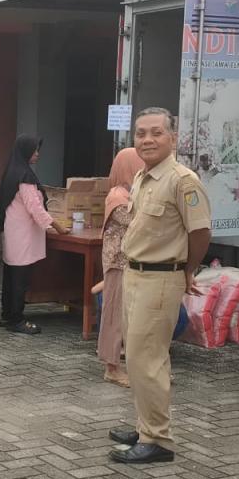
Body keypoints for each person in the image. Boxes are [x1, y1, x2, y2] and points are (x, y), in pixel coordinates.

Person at [108, 108, 212, 464]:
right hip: (136, 274)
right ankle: (146, 427)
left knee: (146, 359)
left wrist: (187, 270)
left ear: (173, 138)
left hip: (161, 278)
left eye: (156, 133)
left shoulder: (183, 181)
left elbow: (200, 232)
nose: (147, 140)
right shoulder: (143, 176)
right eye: (140, 134)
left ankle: (158, 440)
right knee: (140, 358)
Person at [0, 136, 67, 335]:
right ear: (25, 150)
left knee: (11, 276)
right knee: (20, 279)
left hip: (14, 232)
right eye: (34, 150)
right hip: (23, 235)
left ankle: (7, 315)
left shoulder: (12, 171)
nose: (37, 154)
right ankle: (16, 320)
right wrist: (58, 227)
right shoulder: (25, 177)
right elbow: (35, 208)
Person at [96, 147, 146, 388]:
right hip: (118, 263)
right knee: (114, 315)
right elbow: (138, 223)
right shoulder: (117, 196)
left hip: (131, 263)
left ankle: (138, 368)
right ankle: (111, 367)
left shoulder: (131, 193)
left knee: (131, 317)